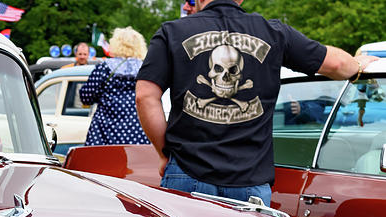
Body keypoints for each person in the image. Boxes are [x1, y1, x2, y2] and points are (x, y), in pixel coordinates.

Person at [136, 0, 377, 205]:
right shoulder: (273, 32)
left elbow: (145, 96)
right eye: (218, 70)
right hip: (249, 184)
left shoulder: (172, 32)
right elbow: (336, 65)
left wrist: (164, 153)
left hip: (187, 173)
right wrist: (358, 64)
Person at [79, 27, 150, 146]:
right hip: (140, 135)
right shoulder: (147, 69)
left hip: (104, 136)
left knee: (102, 164)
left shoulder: (104, 68)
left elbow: (86, 97)